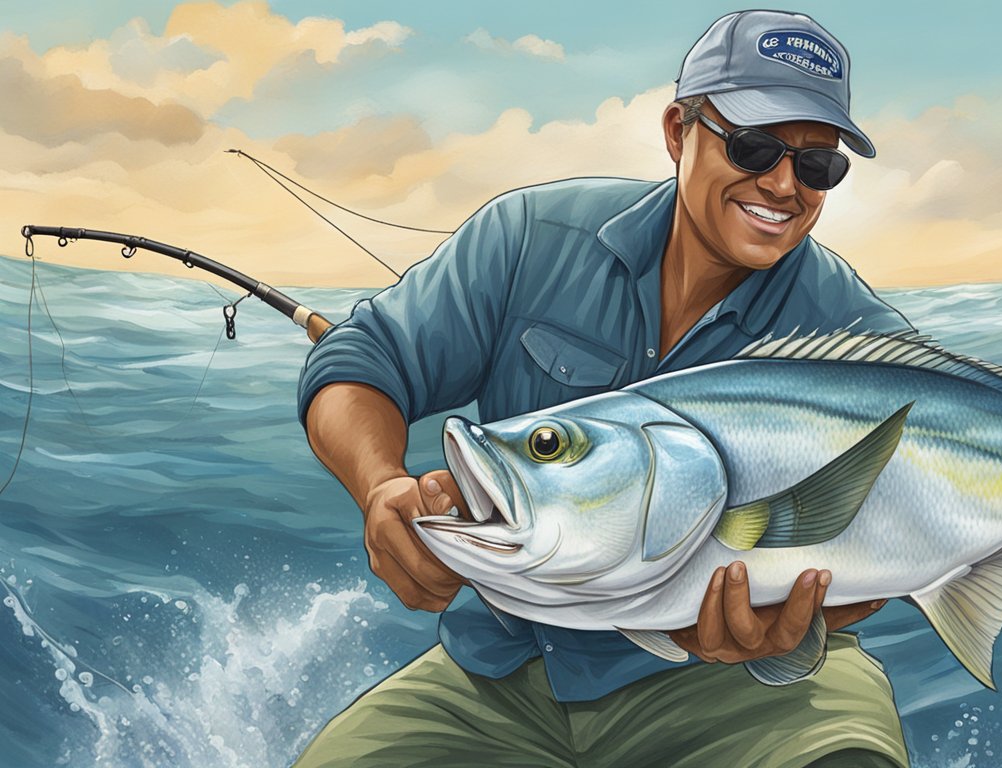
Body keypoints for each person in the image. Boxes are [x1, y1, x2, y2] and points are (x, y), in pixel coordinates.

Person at [294, 10, 914, 767]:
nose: (783, 185)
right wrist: (379, 485)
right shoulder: (529, 235)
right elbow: (360, 362)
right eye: (753, 147)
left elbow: (914, 526)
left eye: (818, 167)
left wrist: (808, 616)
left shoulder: (860, 337)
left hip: (743, 690)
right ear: (677, 130)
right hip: (504, 668)